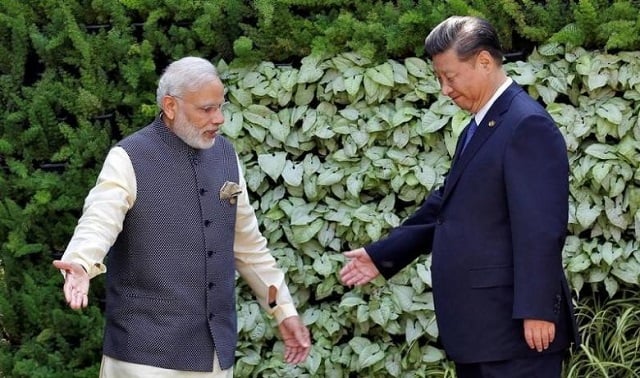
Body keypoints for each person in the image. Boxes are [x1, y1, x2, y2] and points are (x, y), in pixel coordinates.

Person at [340, 16, 579, 378]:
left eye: (449, 77)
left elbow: (541, 227)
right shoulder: (483, 123)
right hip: (482, 331)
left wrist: (538, 309)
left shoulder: (526, 124)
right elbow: (446, 205)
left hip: (518, 337)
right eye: (439, 78)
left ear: (484, 61)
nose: (445, 89)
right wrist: (383, 255)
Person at [53, 56, 310, 377]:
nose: (219, 119)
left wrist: (283, 311)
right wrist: (80, 262)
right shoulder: (128, 157)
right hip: (142, 360)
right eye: (206, 109)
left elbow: (249, 248)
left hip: (215, 357)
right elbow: (99, 219)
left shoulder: (227, 157)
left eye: (221, 106)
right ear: (171, 106)